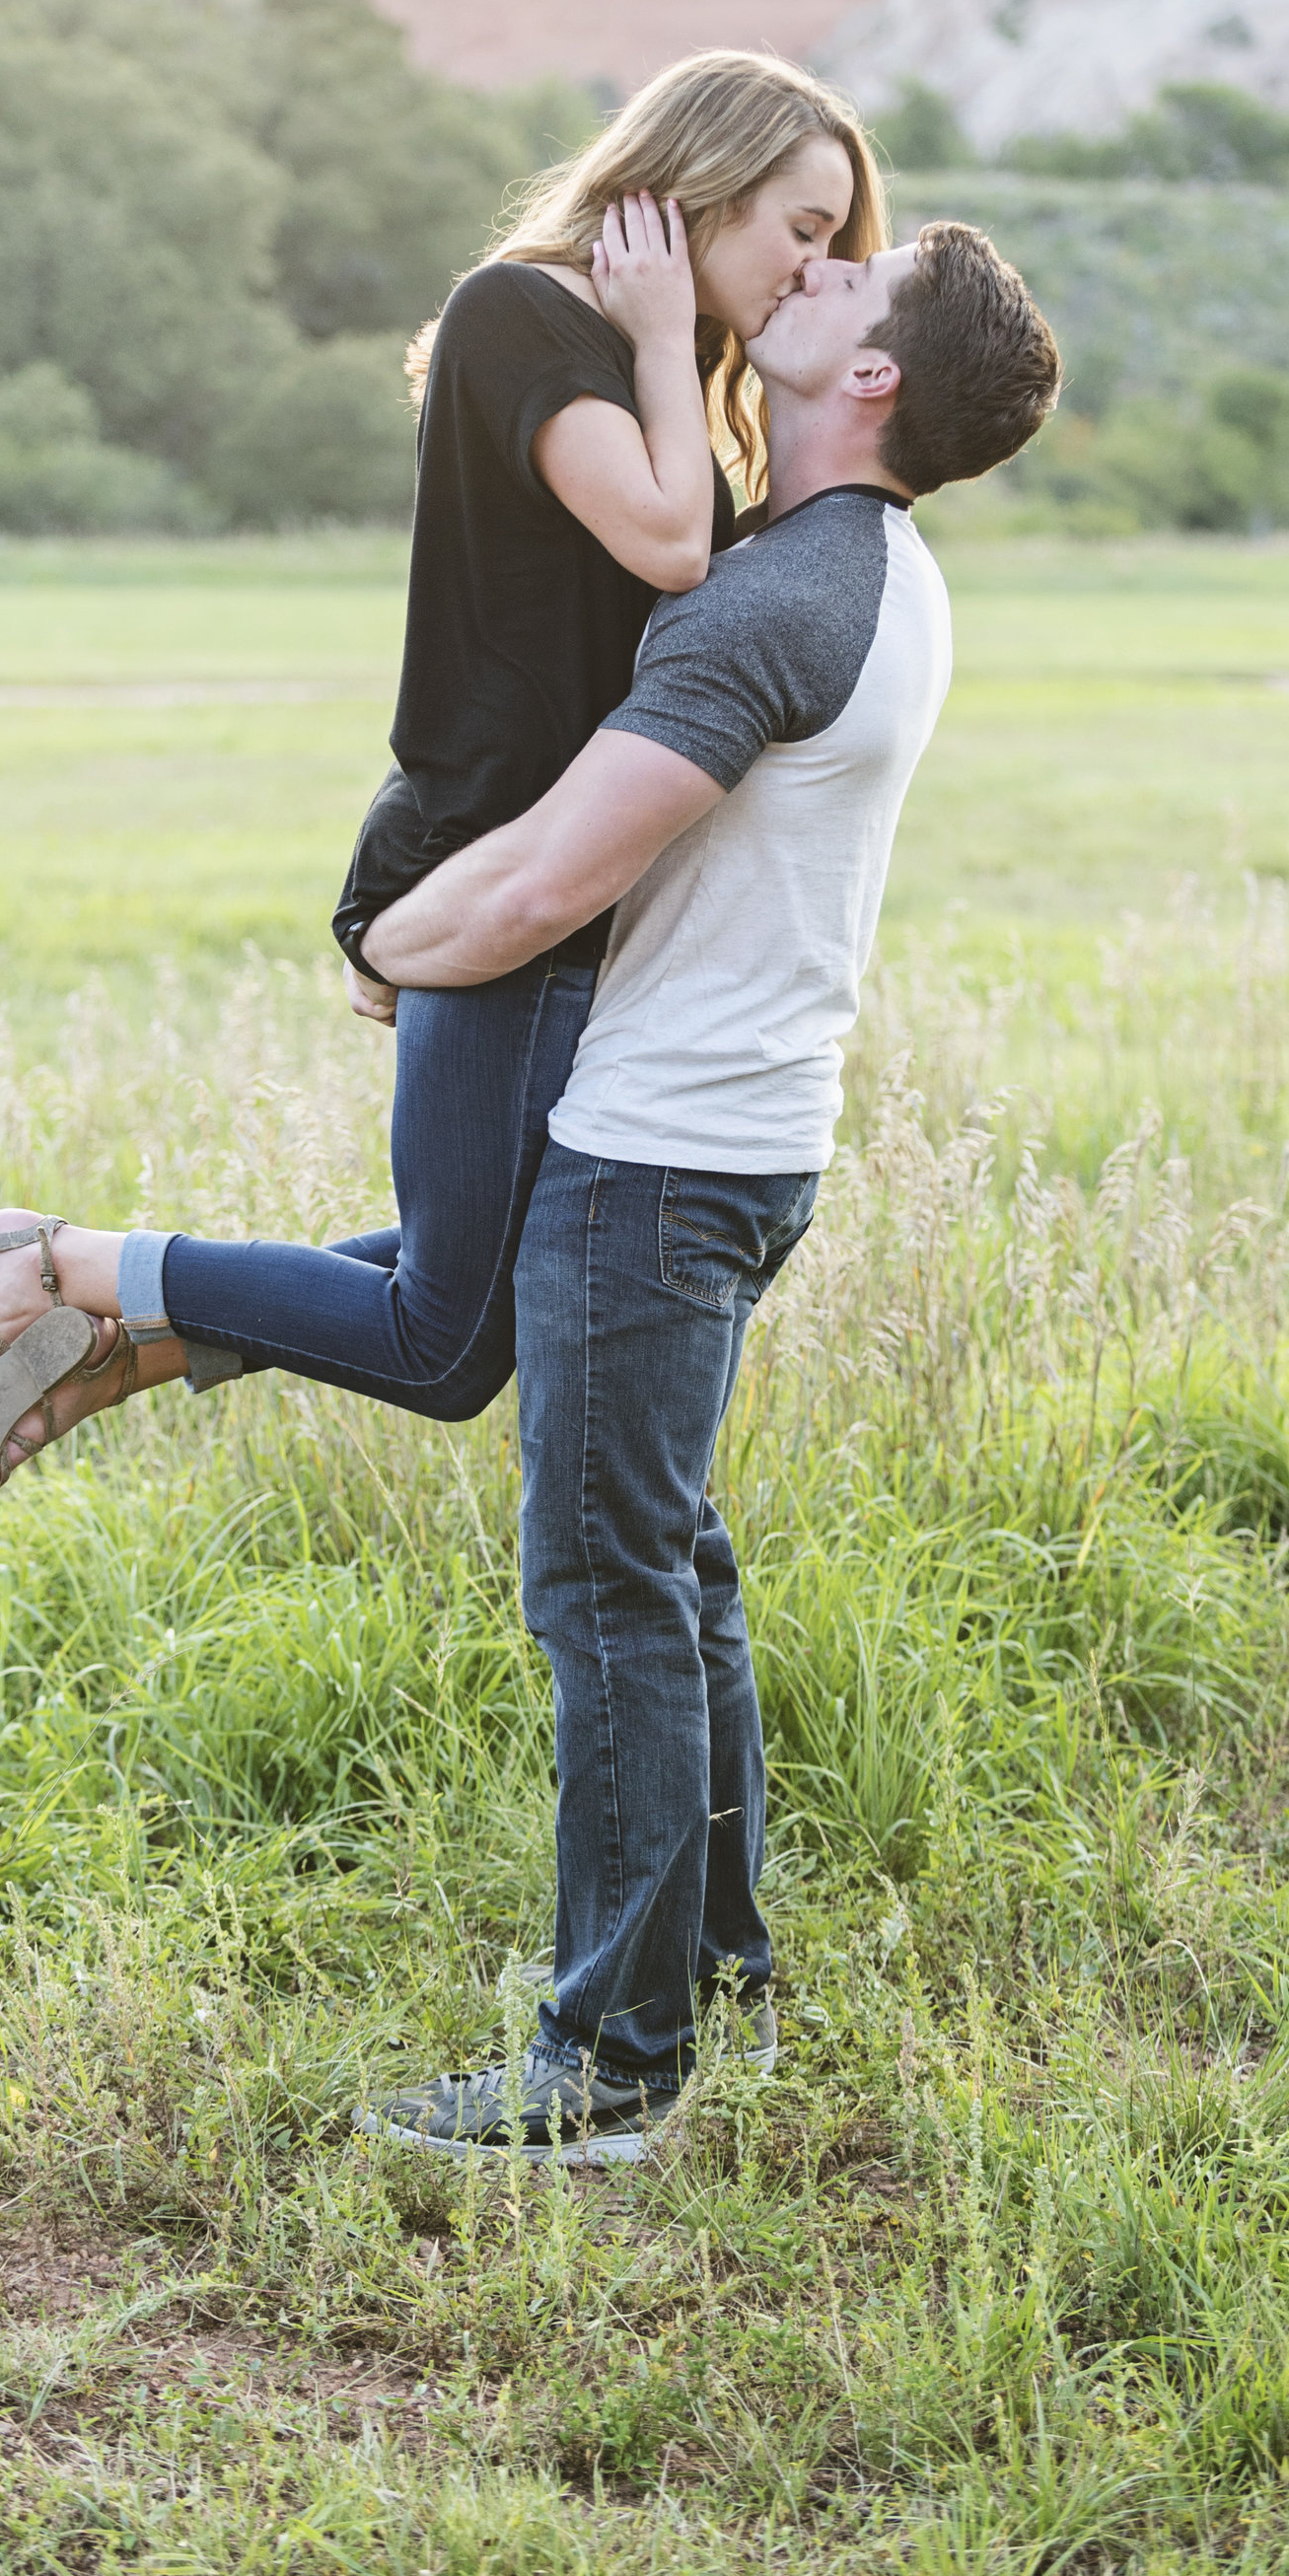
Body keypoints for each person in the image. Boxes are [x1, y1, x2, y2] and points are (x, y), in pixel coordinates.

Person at [0, 49, 887, 1532]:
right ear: (701, 184)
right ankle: (57, 1264)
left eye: (838, 247)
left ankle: (129, 1335)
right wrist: (671, 330)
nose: (816, 269)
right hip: (484, 873)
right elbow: (674, 545)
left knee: (498, 1287)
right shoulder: (527, 316)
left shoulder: (652, 372)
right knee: (447, 1337)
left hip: (552, 892)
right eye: (804, 229)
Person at [352, 220, 1061, 2157]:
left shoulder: (768, 607)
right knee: (673, 1564)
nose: (814, 266)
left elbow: (532, 884)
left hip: (657, 1159)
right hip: (741, 1148)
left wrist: (387, 942)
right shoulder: (859, 569)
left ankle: (603, 2066)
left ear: (873, 379)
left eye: (851, 275)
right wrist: (669, 347)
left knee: (604, 1587)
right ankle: (720, 1973)